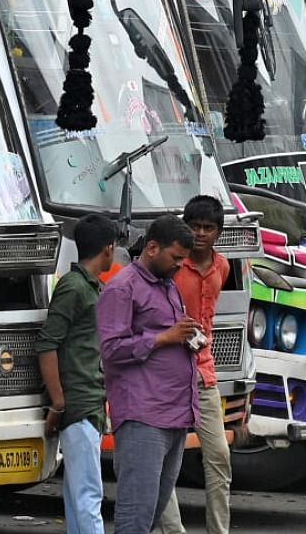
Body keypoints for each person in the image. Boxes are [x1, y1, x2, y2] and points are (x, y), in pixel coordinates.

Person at [98, 215, 201, 534]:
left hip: (176, 412)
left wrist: (188, 337)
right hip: (144, 415)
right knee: (136, 514)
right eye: (175, 258)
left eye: (184, 260)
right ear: (153, 247)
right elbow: (111, 349)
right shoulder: (122, 287)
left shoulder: (168, 285)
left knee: (154, 511)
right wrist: (164, 338)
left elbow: (169, 334)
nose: (180, 266)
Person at [36, 214, 117, 534]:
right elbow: (47, 344)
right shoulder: (74, 288)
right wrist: (58, 403)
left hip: (89, 404)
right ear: (107, 249)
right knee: (89, 495)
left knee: (77, 494)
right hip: (79, 404)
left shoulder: (90, 287)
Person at [158, 196, 233, 534]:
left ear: (218, 232)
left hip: (204, 371)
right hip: (168, 373)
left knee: (219, 457)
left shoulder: (224, 267)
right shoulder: (173, 266)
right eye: (195, 227)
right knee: (163, 460)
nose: (201, 234)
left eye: (209, 228)